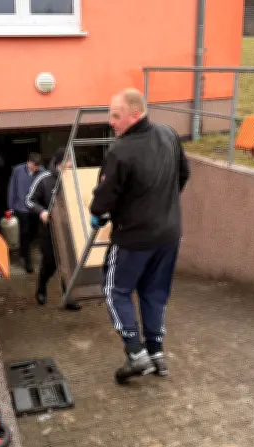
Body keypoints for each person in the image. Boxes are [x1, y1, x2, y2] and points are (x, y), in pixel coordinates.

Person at [89, 88, 190, 384]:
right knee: (154, 292)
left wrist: (99, 212)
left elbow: (103, 199)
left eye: (116, 116)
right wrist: (162, 205)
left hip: (133, 238)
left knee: (114, 290)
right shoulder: (169, 134)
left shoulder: (120, 151)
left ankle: (136, 353)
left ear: (135, 114)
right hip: (169, 234)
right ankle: (156, 352)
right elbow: (183, 175)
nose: (111, 122)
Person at [25, 148, 81, 311]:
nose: (71, 165)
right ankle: (41, 286)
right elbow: (29, 200)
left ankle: (68, 297)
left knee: (69, 264)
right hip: (49, 230)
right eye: (69, 161)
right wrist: (41, 211)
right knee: (50, 264)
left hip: (69, 229)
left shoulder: (74, 178)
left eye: (72, 161)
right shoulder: (44, 178)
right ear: (59, 163)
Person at [7, 152, 44, 273]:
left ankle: (24, 250)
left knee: (34, 232)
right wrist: (11, 206)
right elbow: (12, 188)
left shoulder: (42, 172)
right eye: (34, 165)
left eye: (37, 166)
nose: (36, 168)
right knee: (25, 233)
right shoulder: (17, 170)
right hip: (21, 208)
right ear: (28, 163)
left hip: (34, 207)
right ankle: (27, 260)